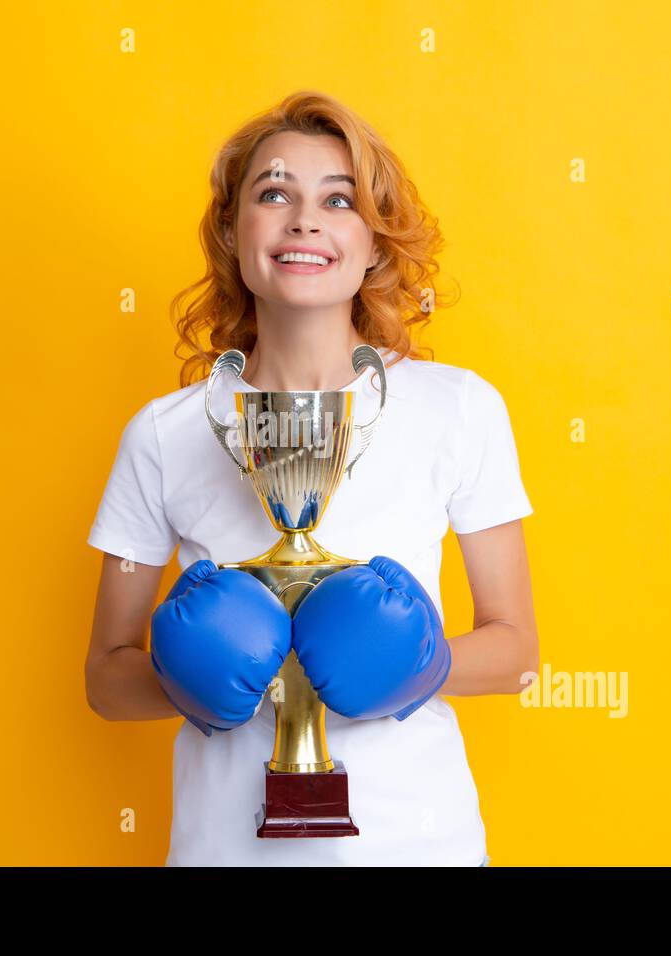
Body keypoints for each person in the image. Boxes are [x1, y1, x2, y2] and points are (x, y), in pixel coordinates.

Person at [85, 91, 538, 866]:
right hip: (222, 851)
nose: (304, 220)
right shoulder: (165, 433)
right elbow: (105, 680)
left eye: (338, 199)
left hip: (419, 845)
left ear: (374, 244)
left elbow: (518, 652)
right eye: (273, 193)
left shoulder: (458, 409)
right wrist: (191, 677)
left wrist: (417, 664)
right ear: (233, 232)